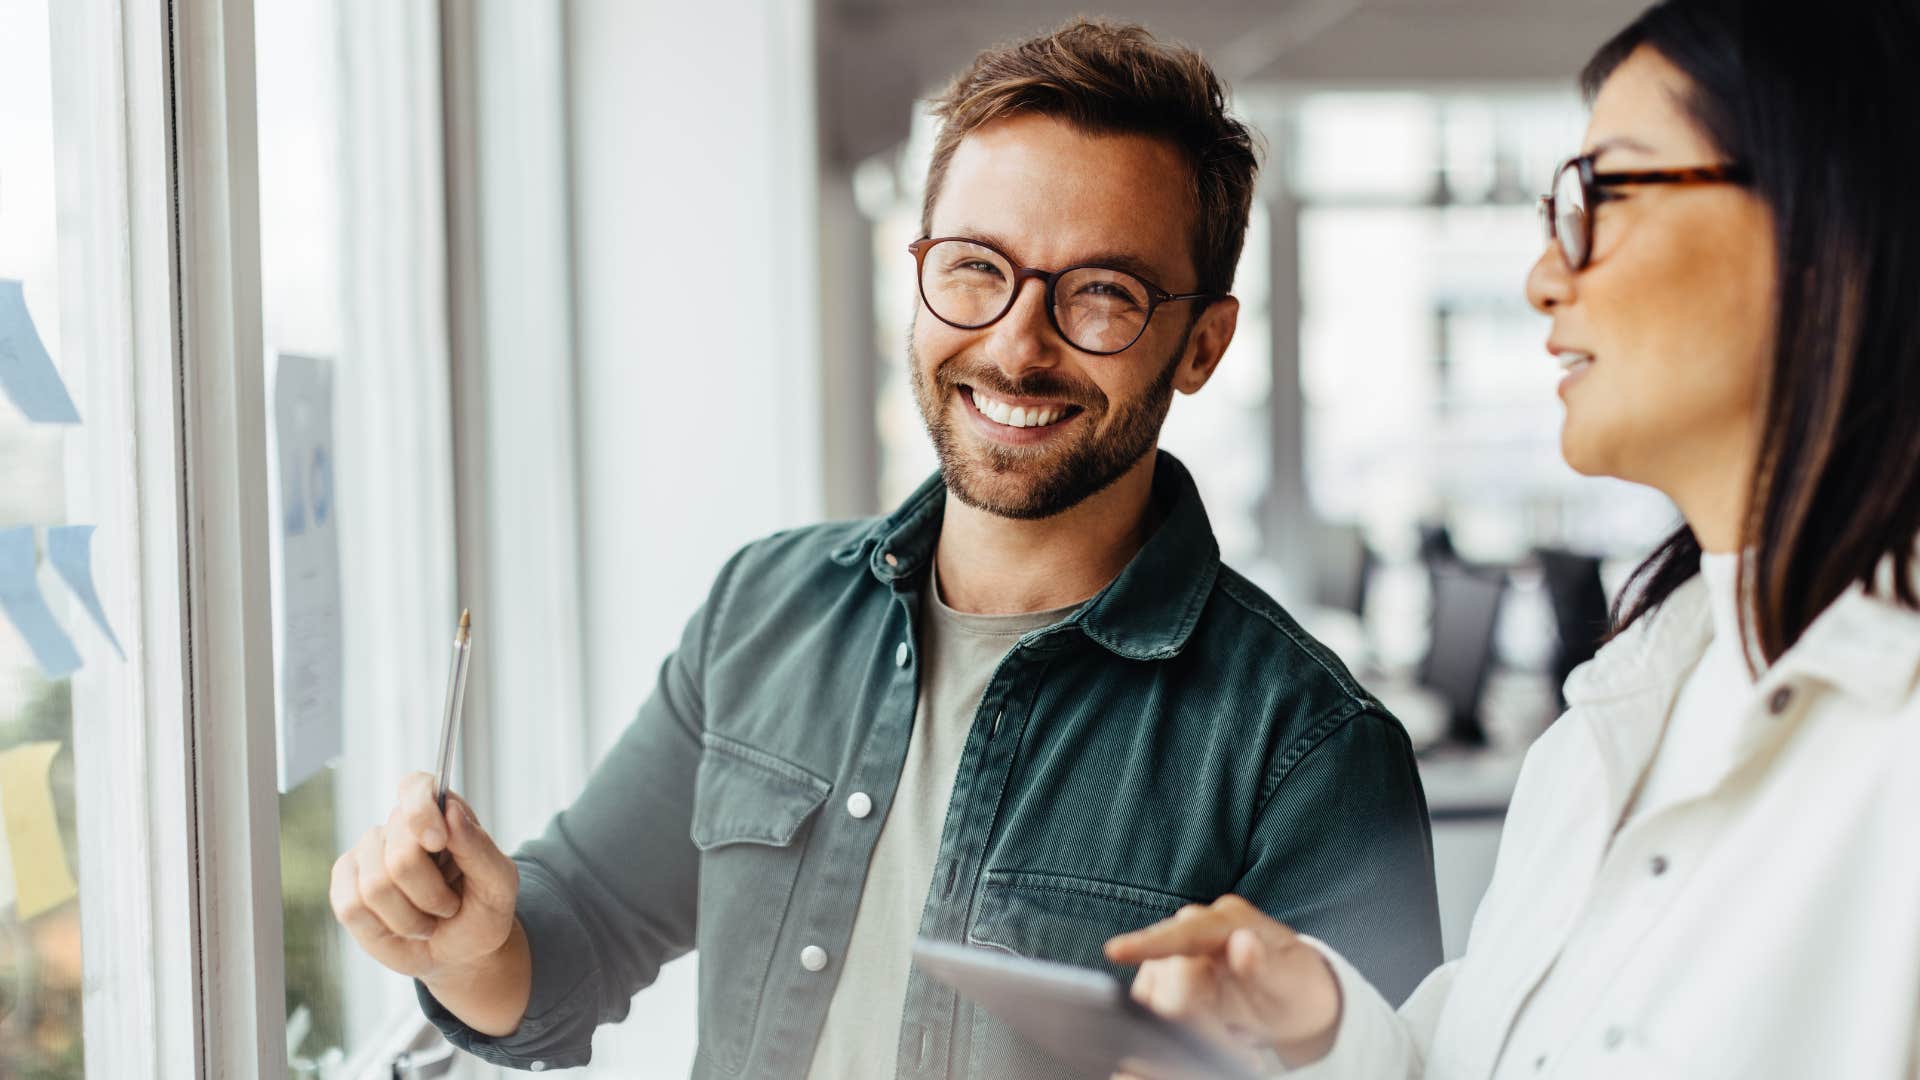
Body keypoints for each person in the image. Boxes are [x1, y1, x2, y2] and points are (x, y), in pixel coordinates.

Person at [328, 19, 1444, 1079]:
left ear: (1201, 343)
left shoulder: (1312, 753)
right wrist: (467, 941)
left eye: (1101, 293)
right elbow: (577, 940)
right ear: (916, 271)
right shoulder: (763, 608)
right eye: (973, 266)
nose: (1016, 345)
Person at [1104, 1, 1920, 1077]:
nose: (1543, 276)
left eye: (1602, 195)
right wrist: (1315, 1024)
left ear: (1833, 218)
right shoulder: (1610, 722)